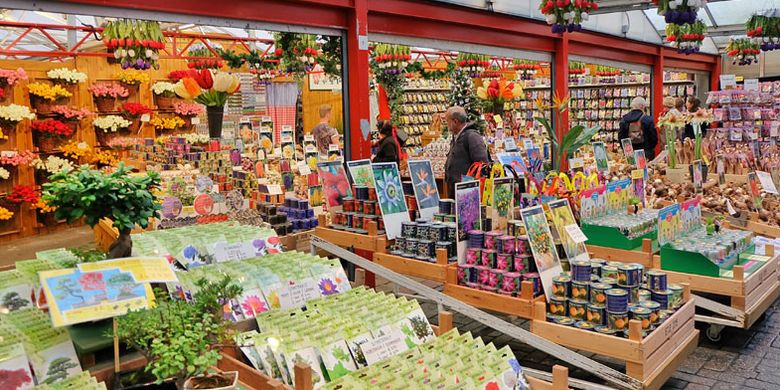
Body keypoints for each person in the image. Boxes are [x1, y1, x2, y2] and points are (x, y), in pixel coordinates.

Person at [444, 106, 489, 194]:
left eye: (447, 121)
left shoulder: (472, 136)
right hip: (457, 188)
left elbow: (482, 164)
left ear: (455, 121)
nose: (446, 124)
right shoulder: (457, 135)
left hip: (467, 191)